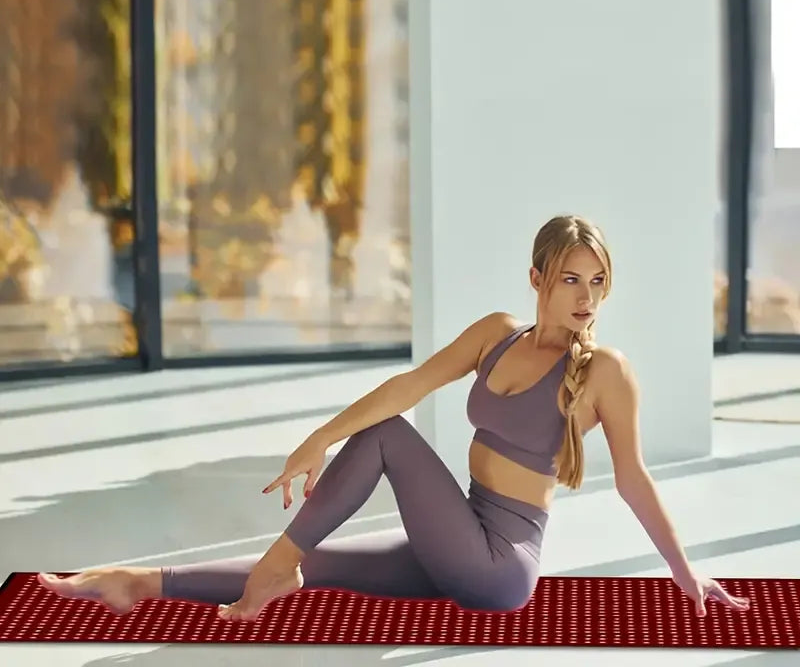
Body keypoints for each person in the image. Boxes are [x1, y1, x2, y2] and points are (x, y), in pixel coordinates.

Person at [37, 215, 751, 622]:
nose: (586, 296)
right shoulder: (496, 333)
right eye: (570, 278)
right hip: (457, 538)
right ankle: (140, 581)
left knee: (380, 444)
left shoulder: (605, 373)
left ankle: (270, 571)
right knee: (313, 566)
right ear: (537, 279)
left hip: (501, 566)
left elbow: (635, 480)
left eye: (597, 282)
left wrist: (686, 575)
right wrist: (316, 439)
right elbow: (407, 386)